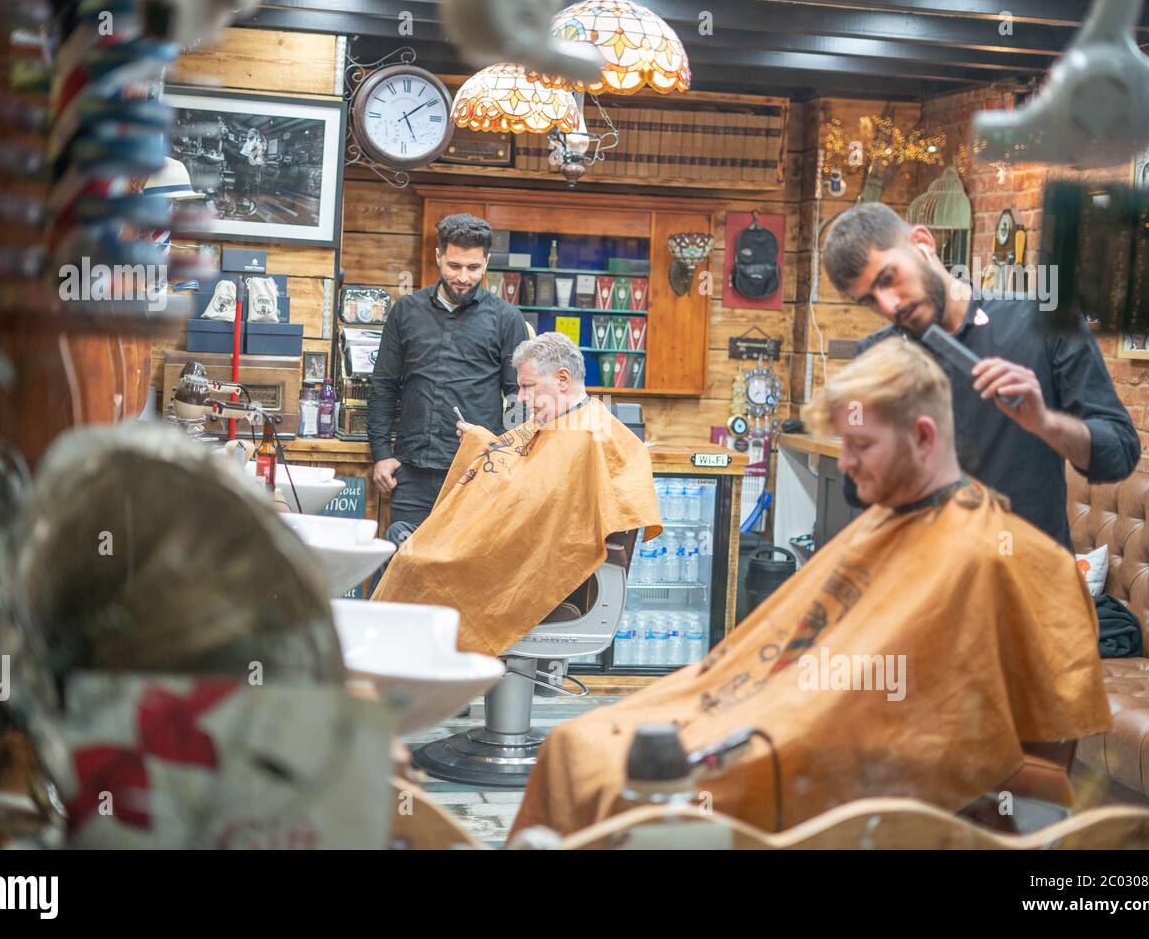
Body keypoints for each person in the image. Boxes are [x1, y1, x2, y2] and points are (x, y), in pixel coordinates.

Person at [509, 338, 1110, 839]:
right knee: (573, 745)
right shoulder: (880, 524)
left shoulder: (1019, 561)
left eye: (861, 445)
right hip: (772, 711)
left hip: (849, 765)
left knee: (616, 787)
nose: (844, 463)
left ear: (925, 437)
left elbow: (1042, 772)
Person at [822, 202, 1139, 551]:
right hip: (929, 579)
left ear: (922, 242)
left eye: (888, 278)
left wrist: (1046, 423)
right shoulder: (872, 358)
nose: (889, 306)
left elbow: (1118, 453)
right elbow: (854, 490)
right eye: (869, 300)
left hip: (1025, 579)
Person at [373, 333, 661, 657]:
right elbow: (516, 465)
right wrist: (479, 439)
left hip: (533, 564)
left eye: (529, 387)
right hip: (513, 546)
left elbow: (534, 500)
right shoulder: (557, 421)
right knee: (406, 544)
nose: (521, 398)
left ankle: (426, 676)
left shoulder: (592, 435)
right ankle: (422, 673)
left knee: (414, 564)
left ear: (562, 379)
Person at [368, 213, 531, 533]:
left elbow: (520, 396)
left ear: (486, 263)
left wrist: (507, 453)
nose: (464, 277)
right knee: (402, 568)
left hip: (478, 472)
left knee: (467, 576)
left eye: (474, 268)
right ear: (439, 256)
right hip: (412, 472)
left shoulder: (507, 318)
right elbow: (384, 385)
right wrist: (381, 453)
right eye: (454, 266)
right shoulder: (407, 311)